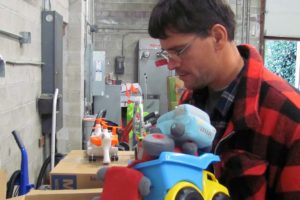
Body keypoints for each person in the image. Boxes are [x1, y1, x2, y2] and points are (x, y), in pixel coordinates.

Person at [148, 0, 300, 199]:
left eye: (179, 51)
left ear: (218, 37)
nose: (171, 64)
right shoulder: (189, 102)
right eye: (166, 53)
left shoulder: (288, 116)